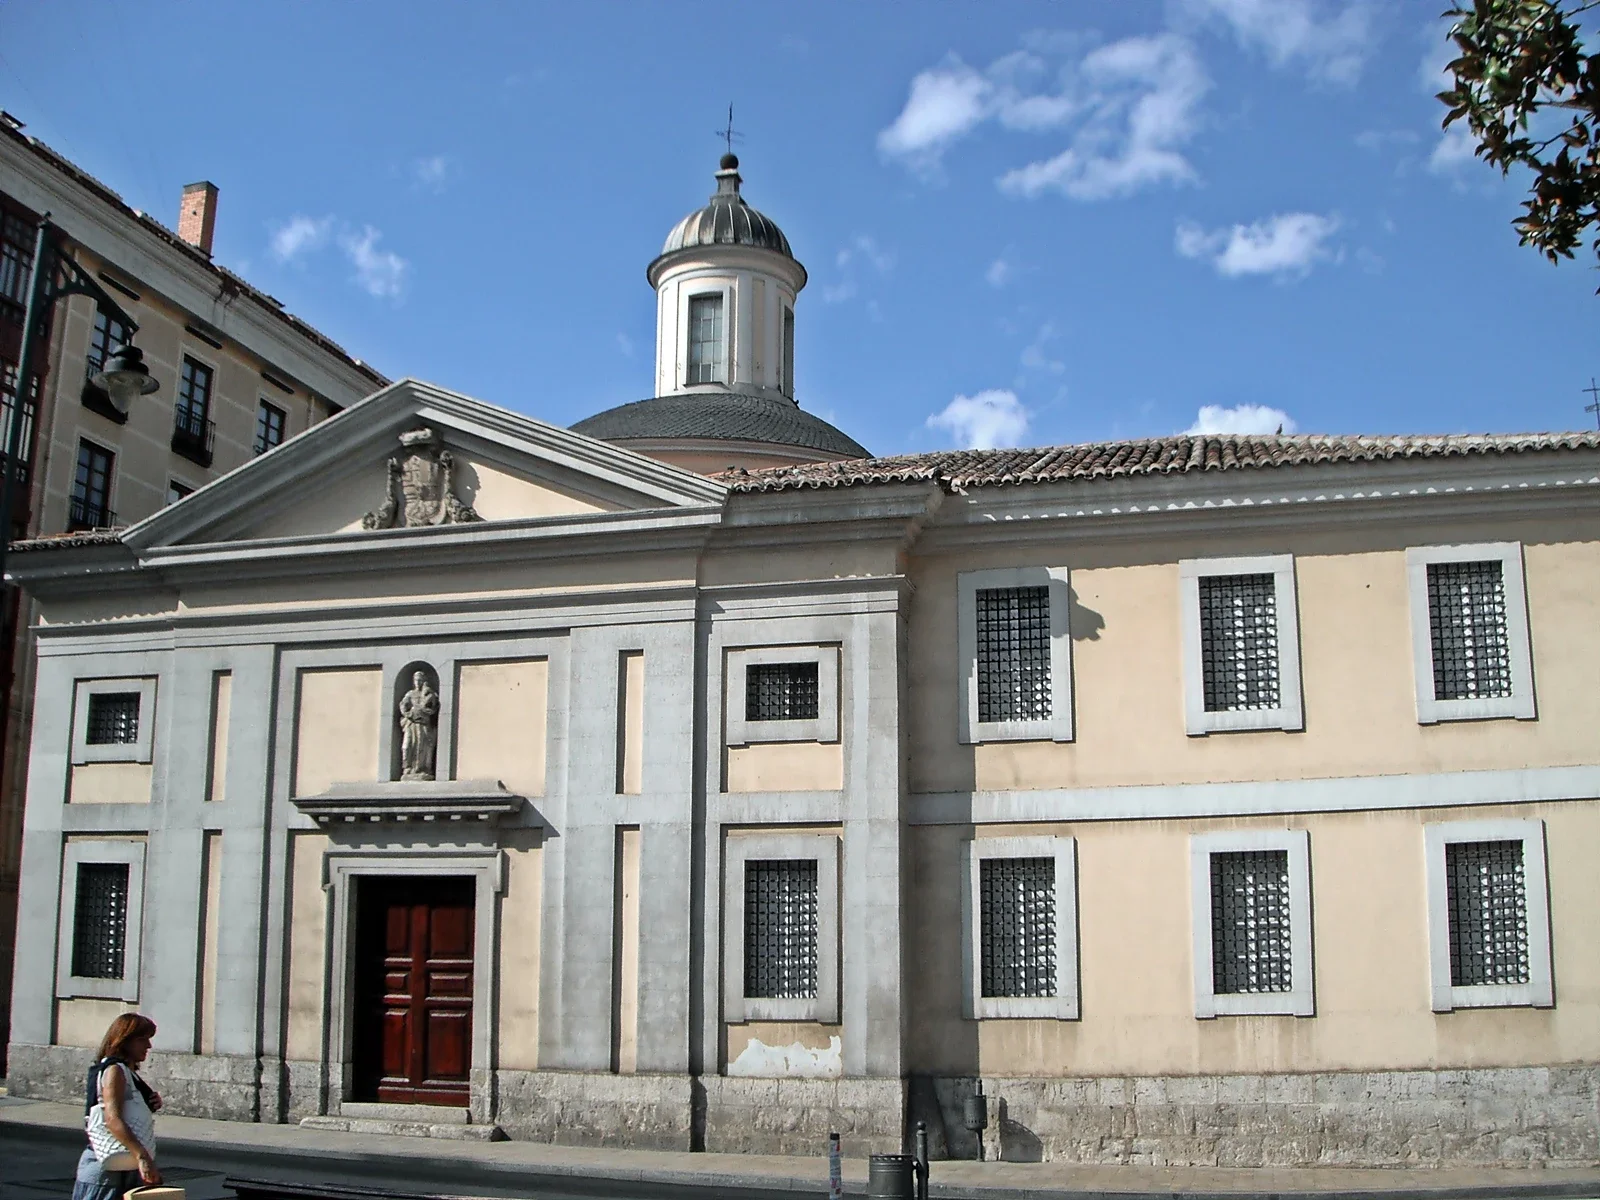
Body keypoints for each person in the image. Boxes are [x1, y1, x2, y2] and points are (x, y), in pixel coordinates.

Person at [75, 1012, 163, 1200]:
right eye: (142, 1039)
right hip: (106, 1172)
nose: (149, 1045)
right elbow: (112, 1119)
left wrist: (148, 1102)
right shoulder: (115, 1070)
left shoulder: (127, 1072)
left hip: (121, 1167)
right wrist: (143, 1157)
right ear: (124, 1040)